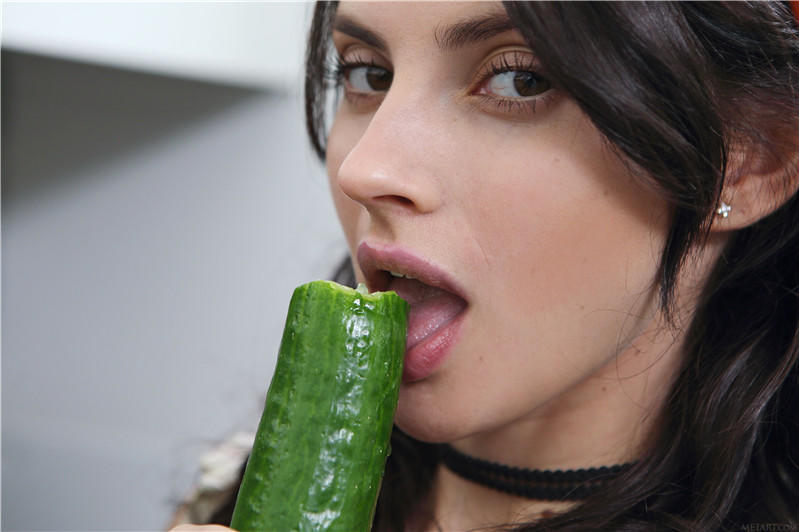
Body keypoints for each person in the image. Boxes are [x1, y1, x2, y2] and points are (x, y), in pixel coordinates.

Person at [172, 1, 799, 530]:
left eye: (519, 80)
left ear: (749, 160)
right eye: (368, 74)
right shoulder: (231, 488)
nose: (363, 170)